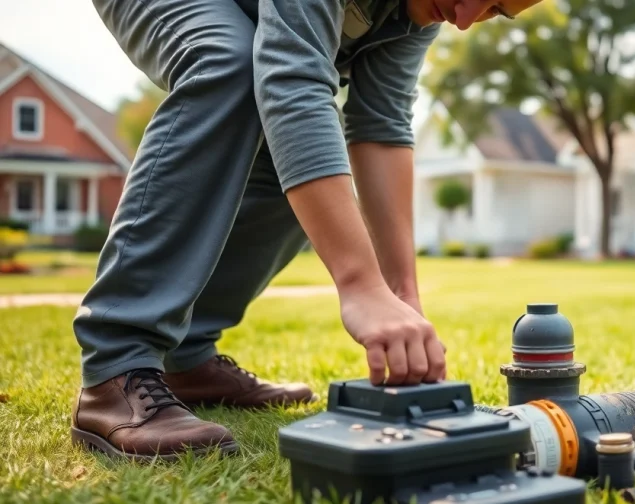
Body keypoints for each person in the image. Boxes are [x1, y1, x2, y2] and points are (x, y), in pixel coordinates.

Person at [71, 0, 539, 462]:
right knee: (228, 61)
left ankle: (188, 357)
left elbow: (382, 126)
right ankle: (118, 364)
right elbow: (291, 82)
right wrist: (361, 286)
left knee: (298, 149)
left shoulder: (424, 13)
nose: (464, 19)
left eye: (495, 10)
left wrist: (401, 294)